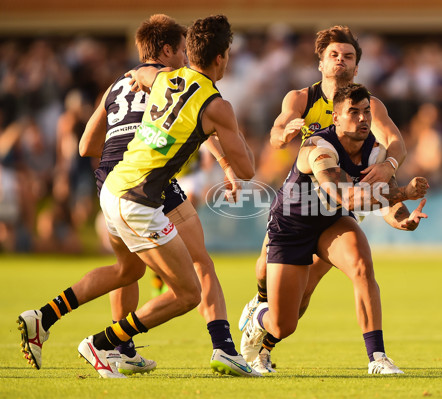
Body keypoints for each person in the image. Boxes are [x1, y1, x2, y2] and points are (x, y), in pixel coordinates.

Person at [17, 14, 261, 378]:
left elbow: (90, 142)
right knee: (190, 287)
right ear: (222, 57)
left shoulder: (153, 77)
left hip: (112, 183)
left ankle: (49, 318)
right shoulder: (214, 102)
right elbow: (248, 170)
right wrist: (230, 139)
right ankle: (106, 343)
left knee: (127, 270)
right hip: (142, 193)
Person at [238, 25, 407, 371]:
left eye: (348, 57)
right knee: (288, 313)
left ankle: (377, 357)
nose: (341, 61)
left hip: (334, 212)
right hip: (297, 210)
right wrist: (282, 133)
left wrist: (390, 167)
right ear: (321, 63)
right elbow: (276, 131)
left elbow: (394, 142)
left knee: (360, 267)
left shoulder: (367, 106)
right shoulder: (301, 98)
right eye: (334, 56)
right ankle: (260, 309)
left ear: (357, 66)